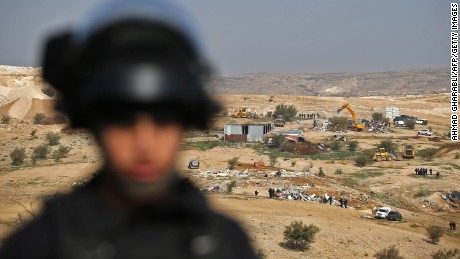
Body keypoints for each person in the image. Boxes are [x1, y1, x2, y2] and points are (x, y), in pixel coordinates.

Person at [0, 1, 257, 258]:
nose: (144, 145)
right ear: (92, 121)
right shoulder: (40, 246)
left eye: (163, 121)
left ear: (188, 119)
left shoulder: (226, 244)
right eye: (122, 122)